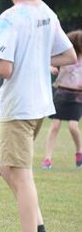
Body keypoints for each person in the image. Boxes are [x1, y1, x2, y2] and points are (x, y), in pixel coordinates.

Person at [0, 0, 75, 232]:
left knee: (21, 175)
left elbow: (6, 69)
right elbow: (68, 55)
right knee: (8, 169)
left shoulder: (9, 18)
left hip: (19, 106)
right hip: (39, 105)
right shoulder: (46, 12)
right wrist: (39, 60)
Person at [42, 30, 82, 169]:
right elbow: (46, 60)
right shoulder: (67, 55)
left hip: (77, 96)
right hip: (62, 92)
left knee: (73, 126)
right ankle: (47, 159)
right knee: (55, 125)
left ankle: (79, 152)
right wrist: (51, 69)